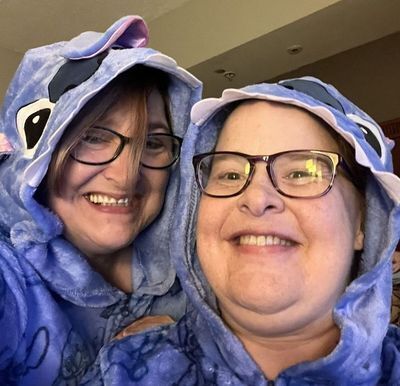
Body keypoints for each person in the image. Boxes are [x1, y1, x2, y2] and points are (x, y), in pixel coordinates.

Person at [87, 77, 400, 385]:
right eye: (231, 174)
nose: (257, 198)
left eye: (301, 172)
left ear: (364, 221)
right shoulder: (120, 371)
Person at [0, 15, 201, 384]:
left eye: (153, 143)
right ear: (39, 154)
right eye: (93, 137)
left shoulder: (199, 264)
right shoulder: (10, 278)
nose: (126, 177)